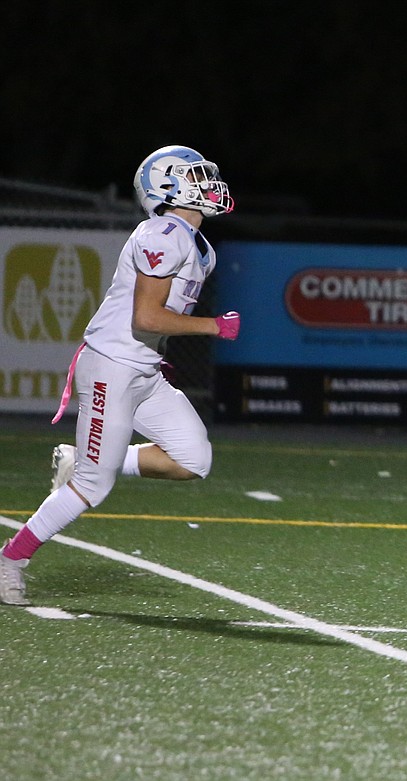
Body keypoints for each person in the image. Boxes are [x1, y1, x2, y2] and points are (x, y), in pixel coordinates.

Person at [0, 146, 240, 606]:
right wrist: (214, 326)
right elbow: (147, 317)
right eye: (196, 175)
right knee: (93, 485)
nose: (209, 182)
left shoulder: (199, 247)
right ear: (167, 187)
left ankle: (86, 458)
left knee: (194, 459)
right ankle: (11, 558)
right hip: (112, 365)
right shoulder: (164, 233)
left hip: (142, 370)